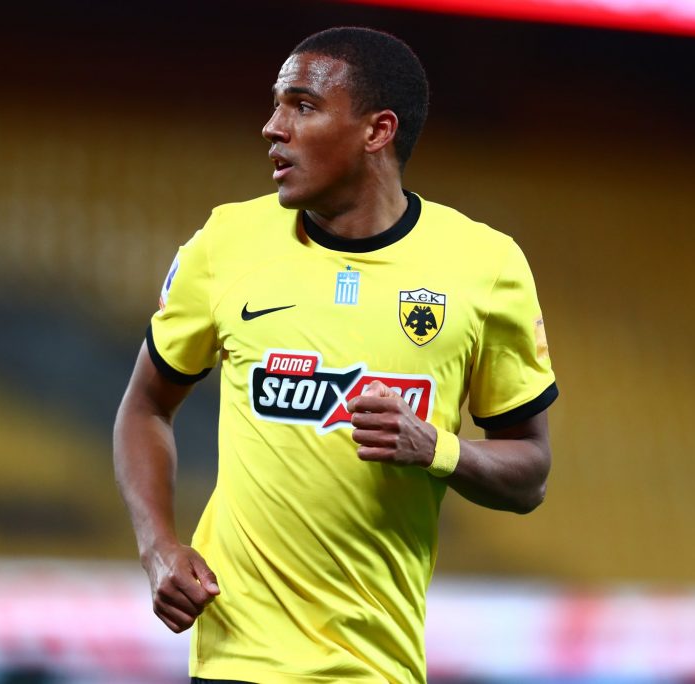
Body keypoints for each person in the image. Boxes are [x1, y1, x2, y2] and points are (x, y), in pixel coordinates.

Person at [113, 26, 558, 684]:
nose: (272, 127)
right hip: (236, 657)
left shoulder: (485, 267)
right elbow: (145, 408)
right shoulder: (227, 242)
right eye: (276, 105)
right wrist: (158, 547)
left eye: (302, 105)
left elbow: (530, 472)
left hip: (374, 666)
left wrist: (436, 448)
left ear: (377, 131)